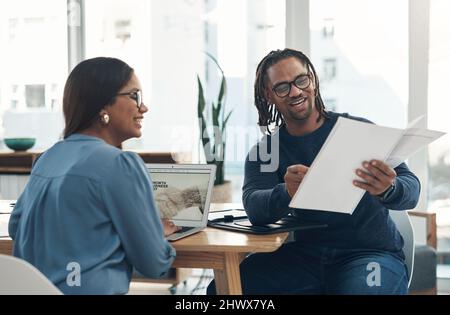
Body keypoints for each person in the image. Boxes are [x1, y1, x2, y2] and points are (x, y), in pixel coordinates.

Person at [207, 48, 420, 295]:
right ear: (269, 94)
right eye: (282, 87)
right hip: (304, 258)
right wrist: (286, 192)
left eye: (301, 80)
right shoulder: (266, 152)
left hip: (369, 255)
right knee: (223, 291)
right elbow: (255, 208)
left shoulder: (359, 131)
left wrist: (389, 188)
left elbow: (411, 189)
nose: (296, 91)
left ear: (313, 80)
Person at [8, 57, 180, 294]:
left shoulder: (48, 158)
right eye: (135, 96)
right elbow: (154, 264)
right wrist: (152, 235)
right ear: (103, 106)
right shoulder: (120, 164)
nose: (144, 107)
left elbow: (16, 228)